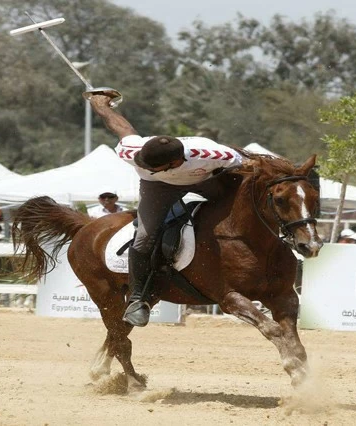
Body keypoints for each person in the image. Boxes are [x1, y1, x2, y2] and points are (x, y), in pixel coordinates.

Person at [88, 92, 243, 327]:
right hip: (157, 189)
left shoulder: (213, 154)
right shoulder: (134, 151)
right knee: (144, 237)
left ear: (176, 162)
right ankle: (139, 299)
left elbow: (245, 165)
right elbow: (122, 127)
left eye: (153, 166)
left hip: (204, 181)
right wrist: (101, 105)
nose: (144, 167)